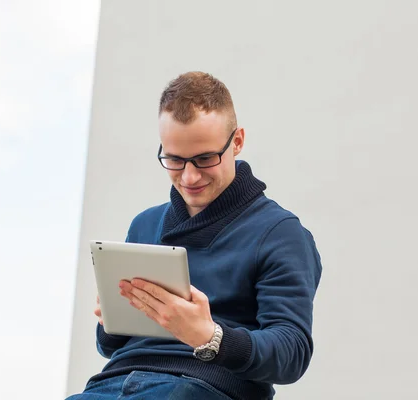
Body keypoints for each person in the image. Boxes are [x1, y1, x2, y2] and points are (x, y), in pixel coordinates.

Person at [66, 71, 323, 400]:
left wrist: (210, 336)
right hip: (111, 385)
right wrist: (112, 320)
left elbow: (292, 353)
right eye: (174, 159)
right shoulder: (145, 224)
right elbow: (110, 346)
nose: (189, 177)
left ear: (238, 142)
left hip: (204, 388)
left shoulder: (281, 233)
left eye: (204, 159)